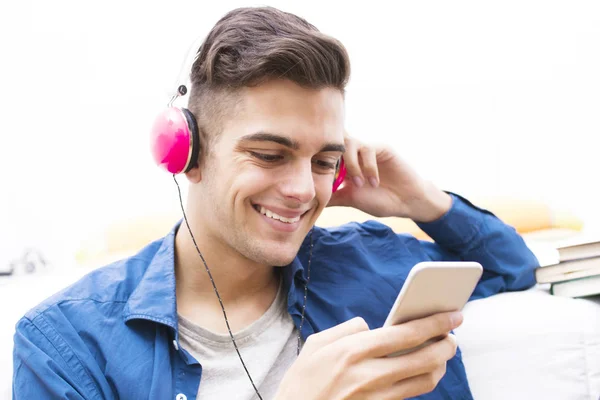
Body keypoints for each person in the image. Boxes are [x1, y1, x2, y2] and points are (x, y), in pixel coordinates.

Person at [12, 6, 539, 400]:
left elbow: (512, 265)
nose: (304, 190)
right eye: (269, 154)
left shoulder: (370, 261)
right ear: (186, 155)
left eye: (324, 161)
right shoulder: (65, 345)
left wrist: (420, 200)